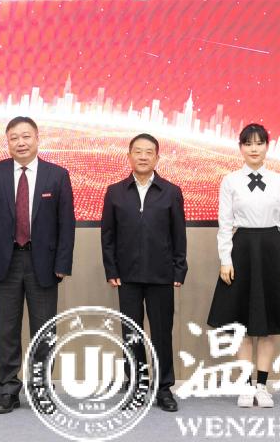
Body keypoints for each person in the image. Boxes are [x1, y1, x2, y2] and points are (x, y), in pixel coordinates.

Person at [0, 116, 76, 414]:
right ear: (7, 142)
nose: (20, 142)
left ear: (37, 138)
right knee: (6, 330)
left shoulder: (57, 175)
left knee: (44, 329)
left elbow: (66, 223)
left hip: (43, 262)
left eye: (26, 136)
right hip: (4, 262)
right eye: (14, 138)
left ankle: (41, 389)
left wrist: (63, 263)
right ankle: (7, 390)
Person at [207, 123, 280, 409]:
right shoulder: (230, 181)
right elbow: (225, 224)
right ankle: (245, 387)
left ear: (267, 147)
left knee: (267, 325)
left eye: (259, 143)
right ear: (240, 148)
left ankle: (262, 386)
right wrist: (225, 259)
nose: (254, 149)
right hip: (242, 251)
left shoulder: (279, 181)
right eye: (248, 143)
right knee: (241, 324)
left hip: (272, 251)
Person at [100, 133, 187, 412]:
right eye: (137, 151)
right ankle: (136, 386)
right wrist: (111, 268)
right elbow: (108, 236)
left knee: (162, 334)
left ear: (157, 158)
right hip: (126, 276)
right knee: (131, 334)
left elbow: (179, 235)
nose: (143, 156)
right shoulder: (115, 191)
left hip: (161, 274)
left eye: (149, 152)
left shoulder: (171, 192)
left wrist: (179, 269)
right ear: (129, 156)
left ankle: (163, 388)